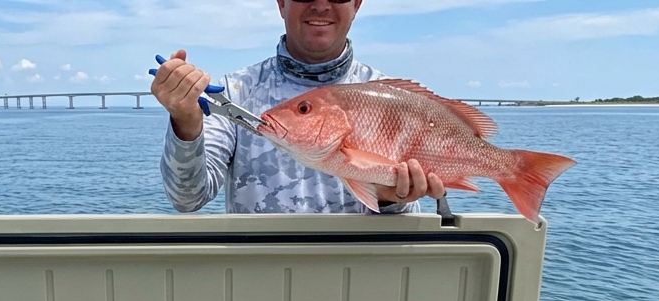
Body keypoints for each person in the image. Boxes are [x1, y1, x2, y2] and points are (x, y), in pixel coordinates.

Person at [151, 0, 445, 214]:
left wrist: (390, 199)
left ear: (356, 4)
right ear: (281, 4)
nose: (320, 5)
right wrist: (186, 123)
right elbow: (186, 199)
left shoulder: (390, 96)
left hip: (359, 278)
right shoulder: (236, 92)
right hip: (261, 279)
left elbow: (404, 222)